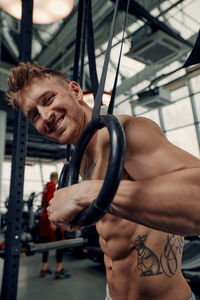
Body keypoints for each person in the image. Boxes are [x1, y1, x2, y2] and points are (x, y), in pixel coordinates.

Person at [5, 61, 200, 300]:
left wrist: (88, 193)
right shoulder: (83, 157)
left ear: (76, 92)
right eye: (34, 115)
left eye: (48, 99)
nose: (45, 116)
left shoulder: (123, 134)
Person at [39, 171, 71, 279]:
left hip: (44, 217)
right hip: (50, 218)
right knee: (60, 243)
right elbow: (49, 203)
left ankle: (44, 268)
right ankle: (59, 269)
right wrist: (53, 221)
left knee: (45, 243)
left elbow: (44, 203)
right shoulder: (52, 186)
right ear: (56, 178)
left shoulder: (46, 187)